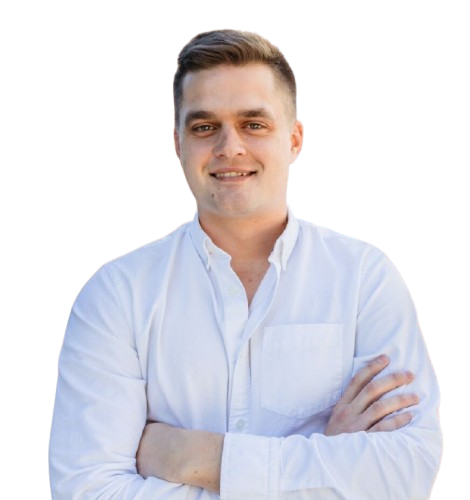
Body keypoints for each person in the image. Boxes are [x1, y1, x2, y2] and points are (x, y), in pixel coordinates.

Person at [48, 28, 443, 498]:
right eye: (204, 127)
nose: (228, 147)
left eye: (254, 124)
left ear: (295, 139)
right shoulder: (116, 294)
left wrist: (193, 459)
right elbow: (85, 490)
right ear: (177, 144)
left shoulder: (364, 279)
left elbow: (408, 471)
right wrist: (325, 462)